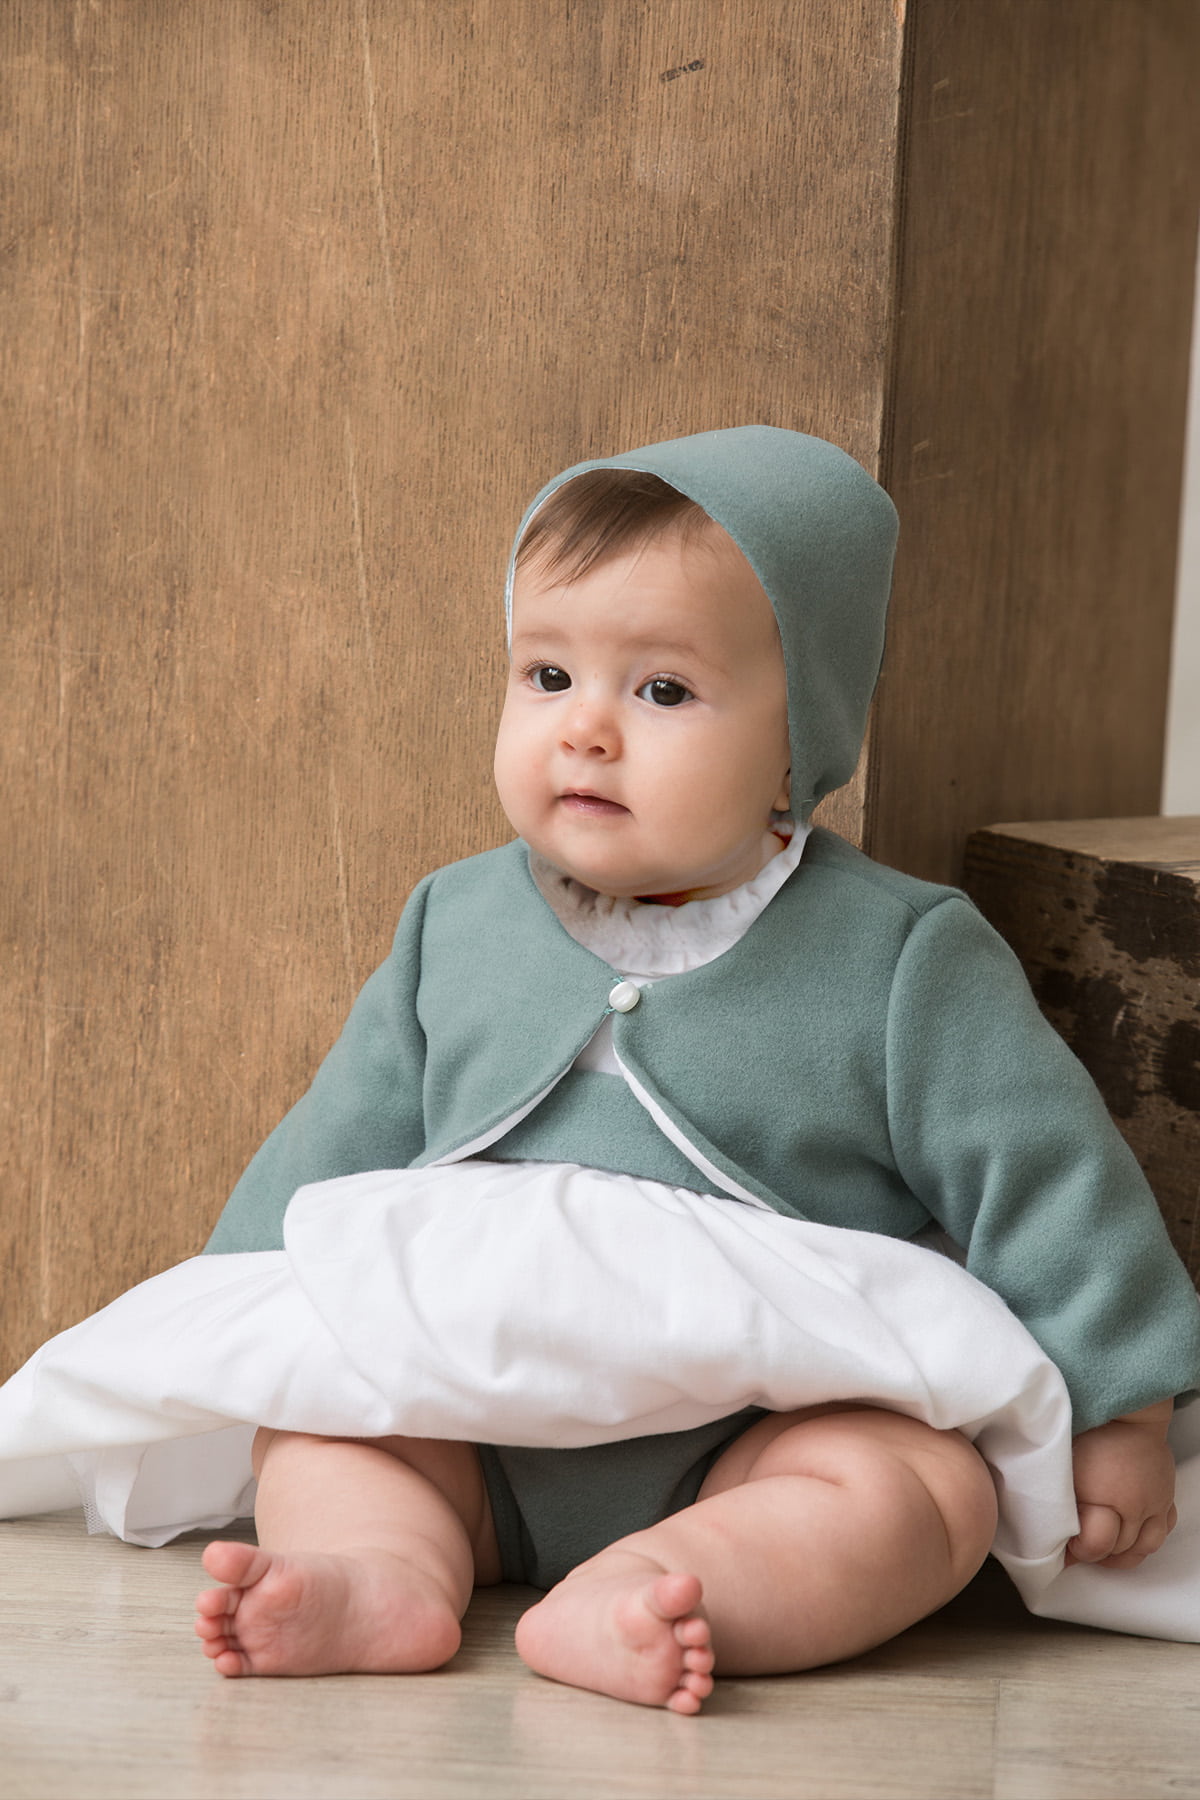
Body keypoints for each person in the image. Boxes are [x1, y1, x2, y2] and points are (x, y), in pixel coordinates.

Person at [191, 426, 1198, 1713]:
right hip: (470, 1405)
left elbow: (1046, 1172)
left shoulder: (898, 953)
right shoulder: (457, 921)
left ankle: (669, 1582)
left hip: (760, 1428)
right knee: (326, 1424)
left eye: (662, 692)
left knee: (916, 1493)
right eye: (547, 675)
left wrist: (1119, 1409)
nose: (588, 732)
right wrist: (223, 1316)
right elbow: (335, 1143)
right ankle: (380, 1569)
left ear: (800, 739)